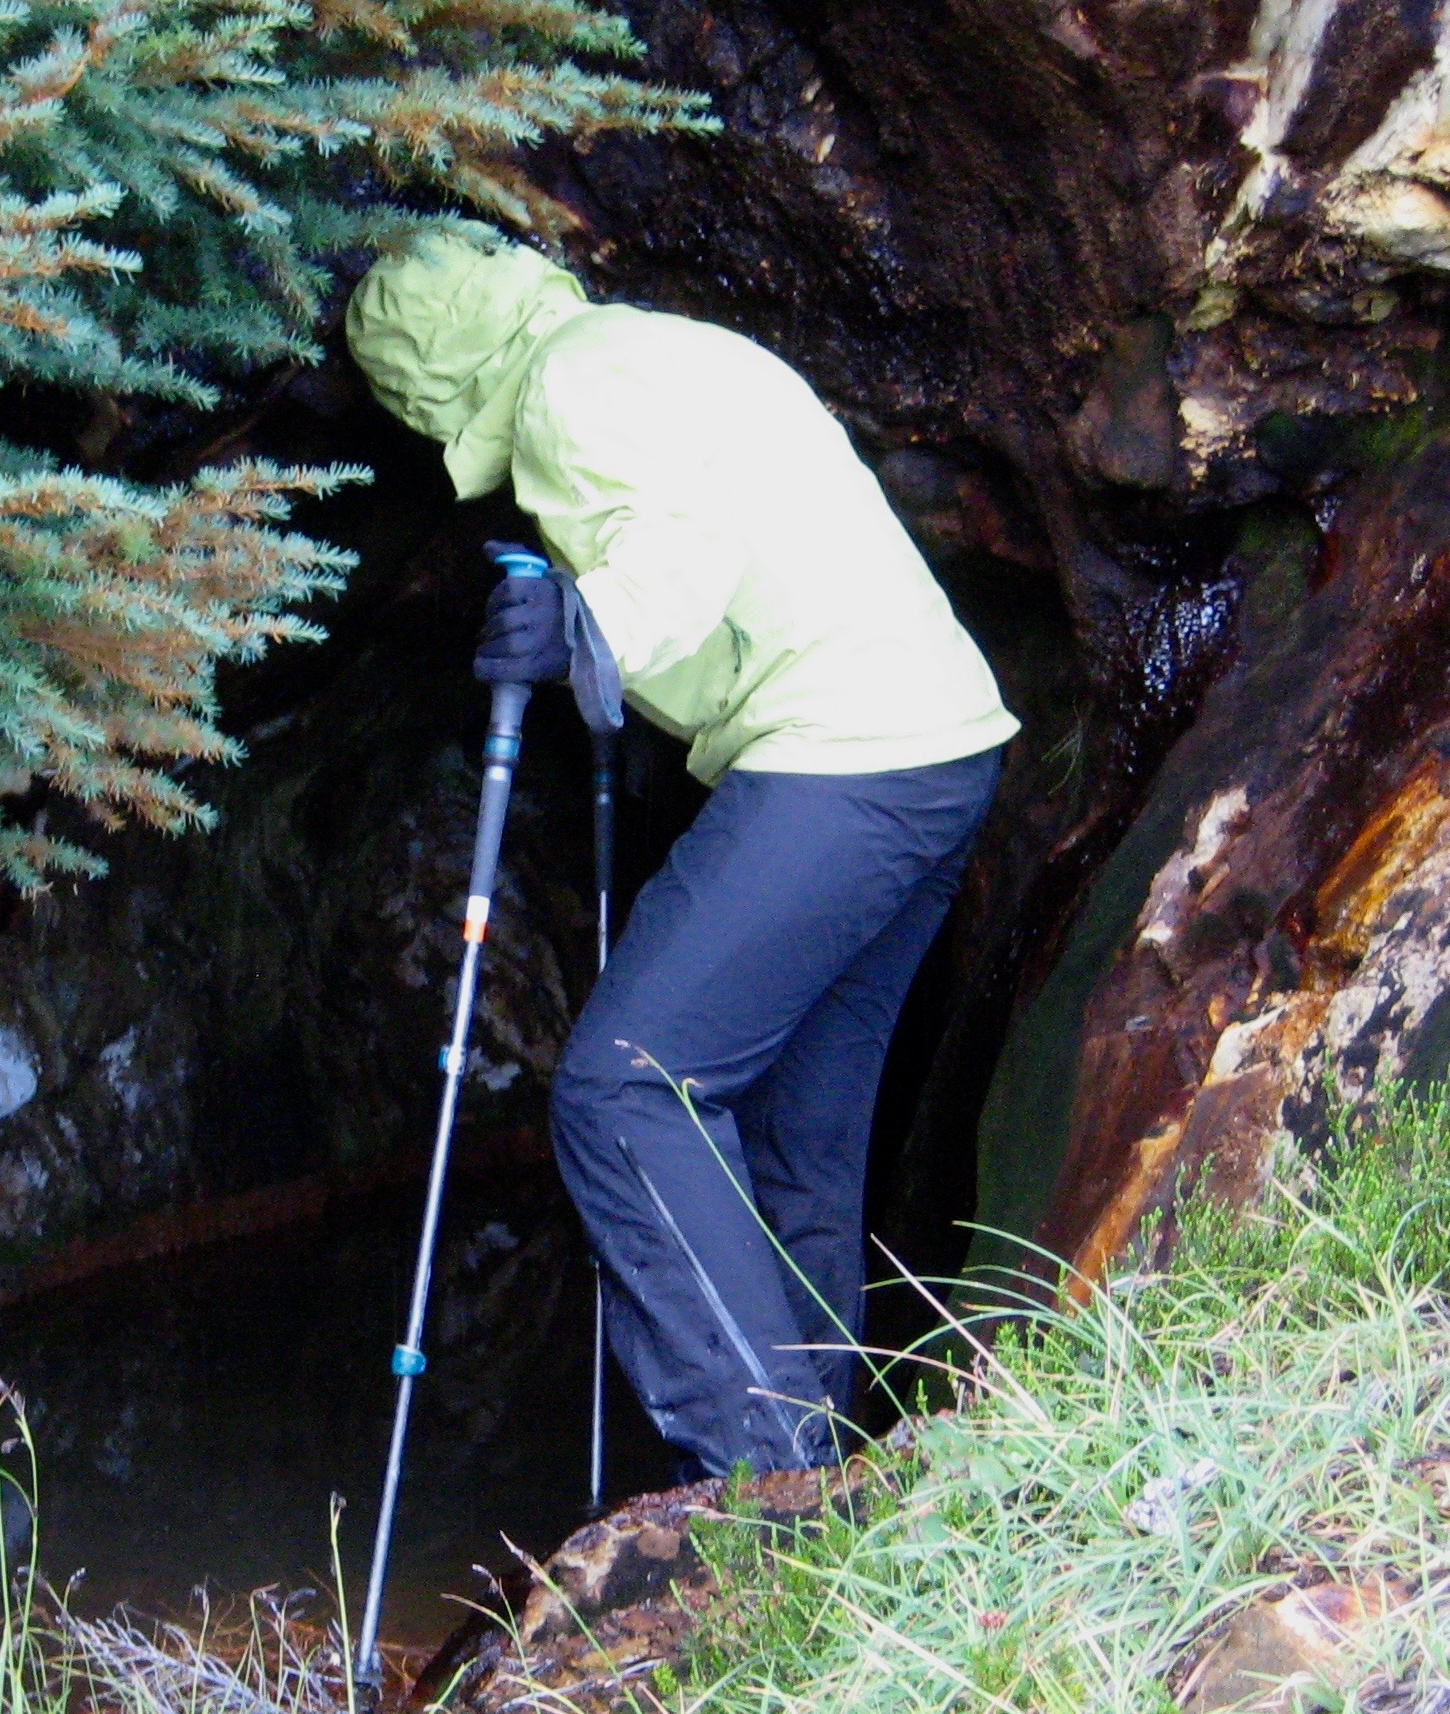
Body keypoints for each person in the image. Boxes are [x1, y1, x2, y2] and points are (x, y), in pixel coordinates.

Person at [344, 224, 1017, 1480]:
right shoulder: (660, 346)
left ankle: (765, 1494)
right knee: (790, 1136)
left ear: (426, 386)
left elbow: (681, 548)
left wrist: (579, 624)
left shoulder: (569, 385)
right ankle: (832, 1487)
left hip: (843, 754)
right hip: (939, 750)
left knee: (623, 1089)